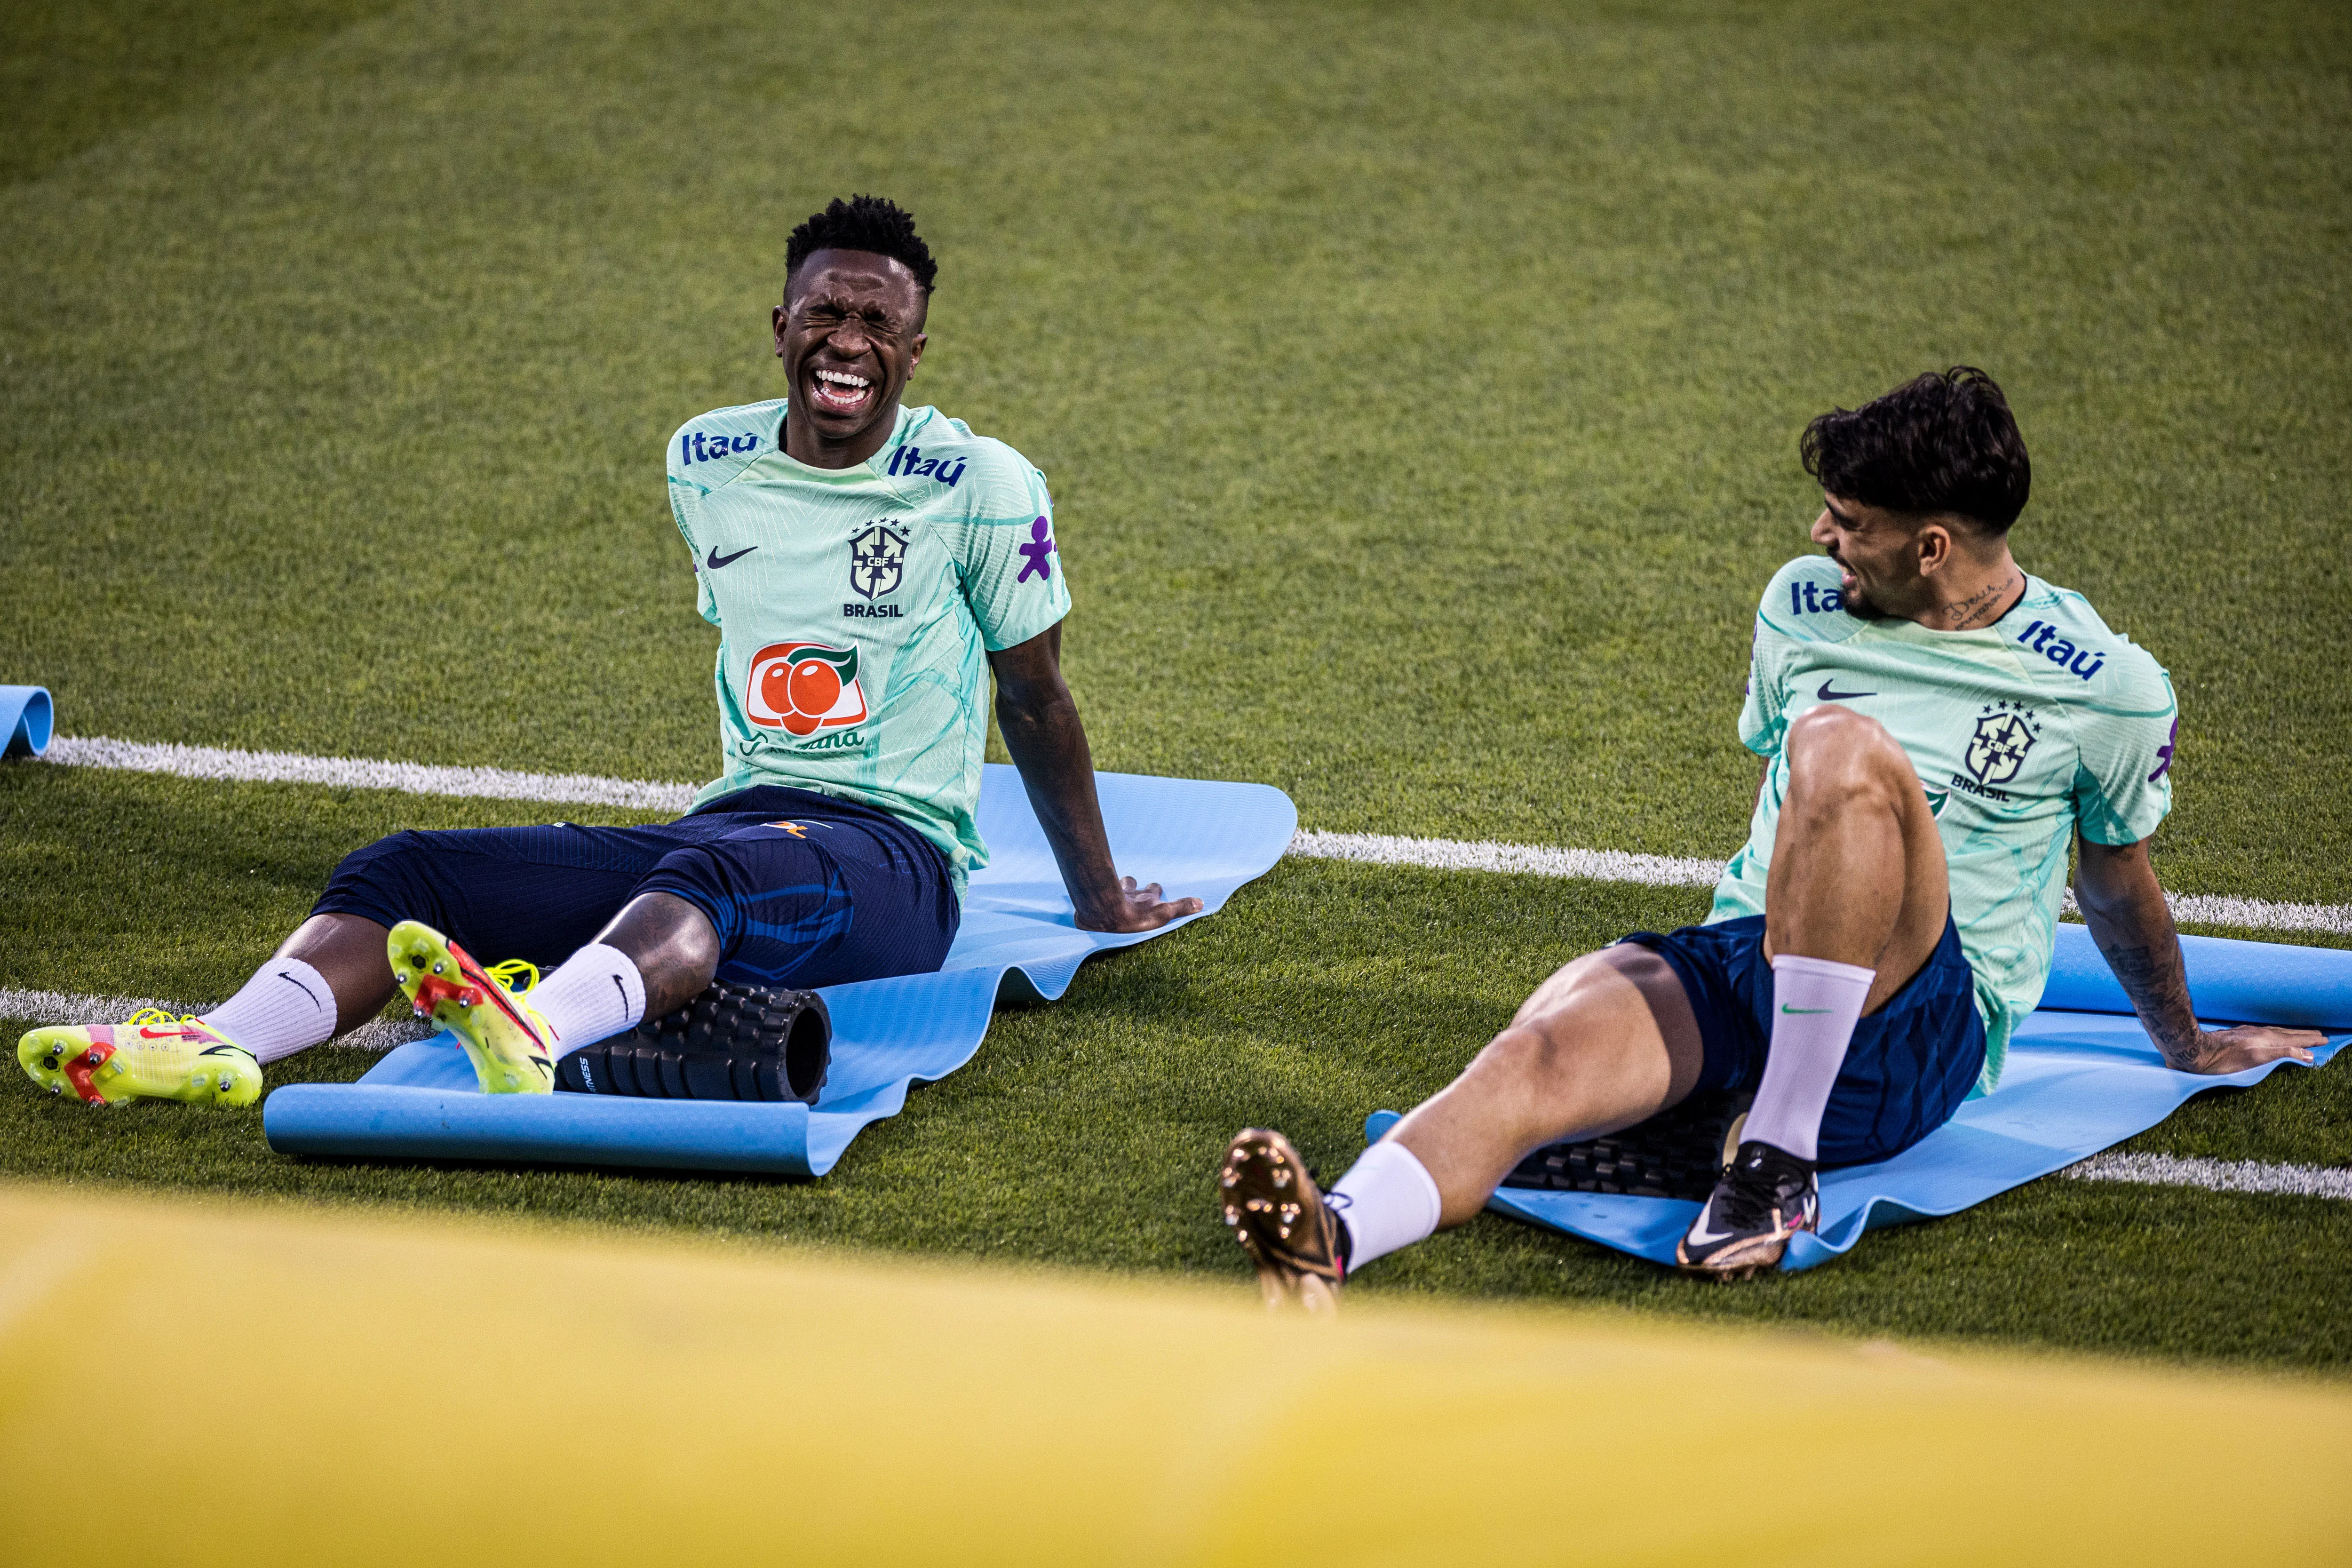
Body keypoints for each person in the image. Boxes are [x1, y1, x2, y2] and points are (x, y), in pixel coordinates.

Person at [21, 194, 1199, 1107]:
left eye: (877, 324)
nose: (848, 343)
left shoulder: (982, 483)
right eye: (826, 315)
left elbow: (1033, 695)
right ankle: (222, 1043)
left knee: (705, 885)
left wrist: (1096, 898)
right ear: (781, 326)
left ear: (917, 349)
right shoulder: (703, 461)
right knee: (405, 870)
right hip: (731, 817)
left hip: (895, 861)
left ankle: (536, 1031)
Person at [1217, 366, 2321, 1305]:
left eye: (1850, 522)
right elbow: (1784, 826)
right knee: (1535, 1049)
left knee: (1841, 749)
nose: (1820, 536)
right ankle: (1330, 1242)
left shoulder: (2111, 689)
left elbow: (2115, 878)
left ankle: (1775, 1157)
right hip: (1757, 957)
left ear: (1932, 545)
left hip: (1925, 1022)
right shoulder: (1800, 603)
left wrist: (2184, 1043)